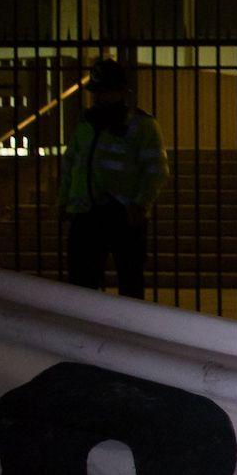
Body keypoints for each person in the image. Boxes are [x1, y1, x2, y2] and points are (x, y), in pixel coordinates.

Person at [61, 56, 168, 299]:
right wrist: (65, 201)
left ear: (121, 92)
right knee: (82, 284)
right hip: (87, 211)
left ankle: (127, 332)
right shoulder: (86, 123)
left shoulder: (141, 125)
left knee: (129, 283)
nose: (99, 97)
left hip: (123, 213)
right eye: (97, 91)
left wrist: (140, 204)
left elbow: (156, 171)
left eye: (105, 91)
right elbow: (71, 164)